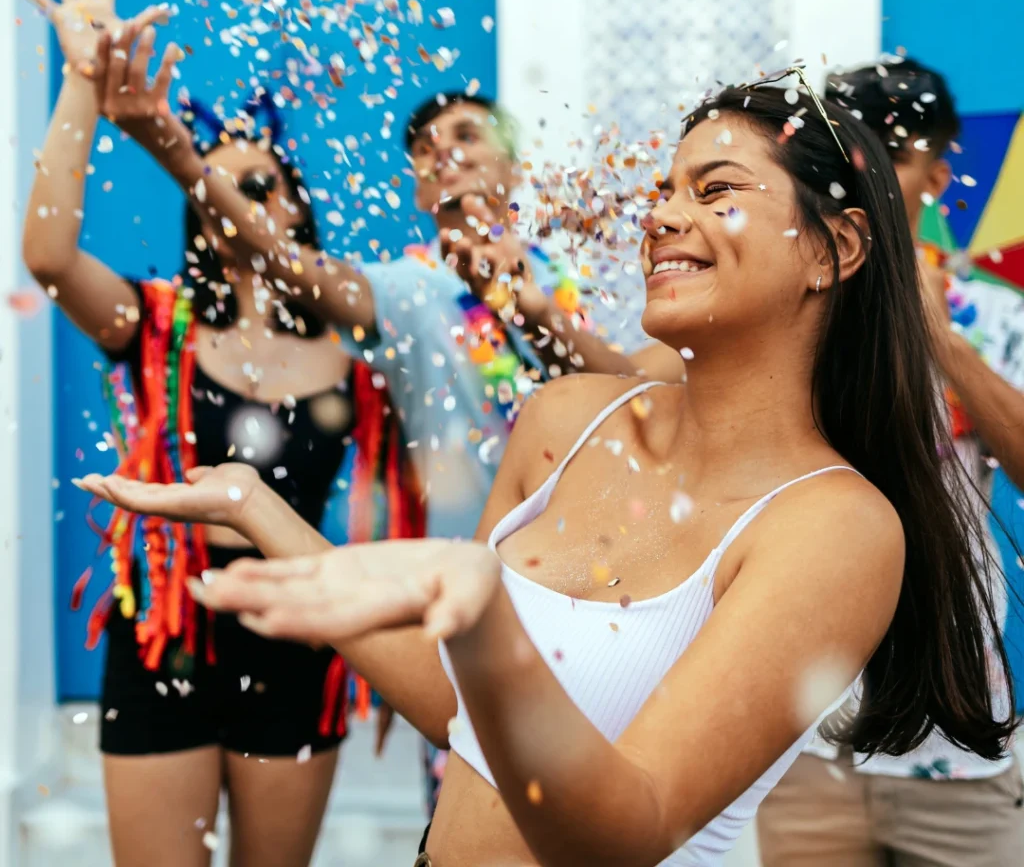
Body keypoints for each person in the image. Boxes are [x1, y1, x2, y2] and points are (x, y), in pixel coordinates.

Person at [77, 79, 1018, 867]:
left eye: (714, 188)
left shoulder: (836, 528)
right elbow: (464, 717)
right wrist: (264, 517)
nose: (662, 216)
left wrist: (480, 606)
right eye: (663, 189)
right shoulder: (567, 419)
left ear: (834, 248)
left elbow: (626, 832)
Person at [19, 0, 422, 867]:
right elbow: (45, 255)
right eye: (224, 186)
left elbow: (393, 509)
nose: (245, 202)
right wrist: (85, 80)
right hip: (168, 627)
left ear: (294, 211)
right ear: (200, 213)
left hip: (298, 629)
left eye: (265, 186)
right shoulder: (155, 321)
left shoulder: (356, 352)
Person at [755, 57, 1024, 866]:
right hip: (803, 746)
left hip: (958, 748)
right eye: (849, 154)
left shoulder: (989, 312)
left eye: (891, 156)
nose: (862, 177)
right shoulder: (785, 307)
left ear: (939, 173)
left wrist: (940, 340)